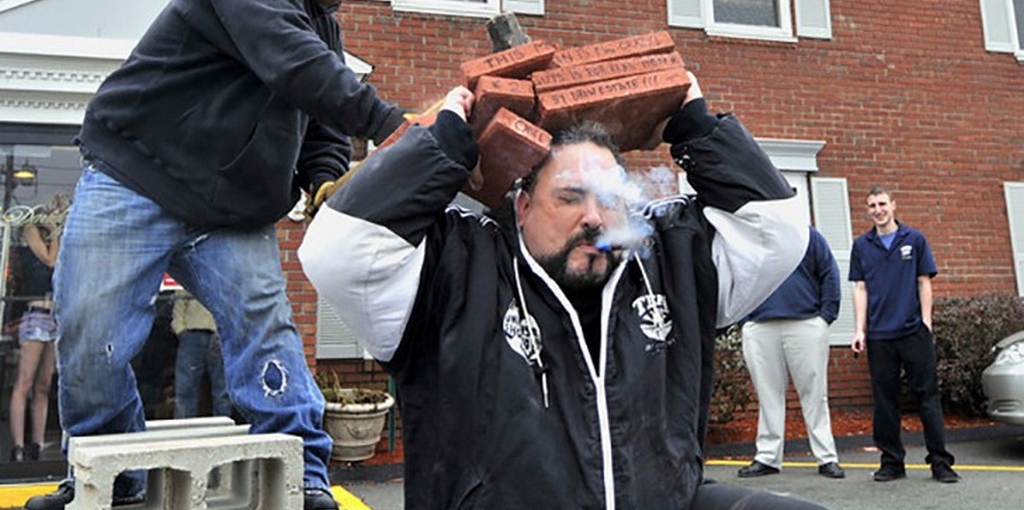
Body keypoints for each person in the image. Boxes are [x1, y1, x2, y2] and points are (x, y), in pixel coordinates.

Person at [24, 0, 406, 510]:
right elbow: (291, 60)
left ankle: (301, 473)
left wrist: (324, 178)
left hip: (230, 212)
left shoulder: (324, 30)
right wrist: (391, 125)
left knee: (265, 328)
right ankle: (109, 474)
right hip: (137, 176)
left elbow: (325, 124)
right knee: (91, 328)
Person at [300, 79, 829, 509]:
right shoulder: (456, 269)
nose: (594, 217)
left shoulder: (667, 261)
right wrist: (442, 147)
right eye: (570, 198)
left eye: (608, 199)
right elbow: (338, 250)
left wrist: (695, 125)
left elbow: (778, 230)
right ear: (523, 207)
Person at [849, 186, 959, 484]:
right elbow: (860, 288)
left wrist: (925, 322)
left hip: (913, 332)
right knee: (885, 401)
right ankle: (892, 462)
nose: (877, 210)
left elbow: (924, 282)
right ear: (868, 210)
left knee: (928, 398)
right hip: (879, 337)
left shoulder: (915, 239)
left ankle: (940, 462)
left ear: (893, 206)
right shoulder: (862, 246)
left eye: (882, 203)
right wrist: (860, 329)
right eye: (871, 205)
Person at [737, 225, 845, 480]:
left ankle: (827, 457)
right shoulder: (751, 237)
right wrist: (744, 319)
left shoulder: (809, 236)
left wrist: (825, 316)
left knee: (815, 394)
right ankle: (767, 457)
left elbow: (829, 272)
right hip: (760, 325)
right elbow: (739, 277)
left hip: (806, 323)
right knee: (767, 394)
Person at [8, 195, 69, 462]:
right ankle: (19, 445)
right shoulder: (30, 230)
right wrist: (57, 231)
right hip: (34, 314)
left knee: (44, 384)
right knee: (25, 381)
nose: (54, 213)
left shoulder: (58, 237)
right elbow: (49, 259)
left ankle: (37, 441)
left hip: (54, 314)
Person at [171, 291, 232, 419]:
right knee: (185, 388)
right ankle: (183, 431)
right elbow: (180, 301)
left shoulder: (224, 275)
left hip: (219, 334)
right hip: (192, 334)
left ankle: (222, 431)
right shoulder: (190, 272)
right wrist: (181, 330)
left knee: (222, 390)